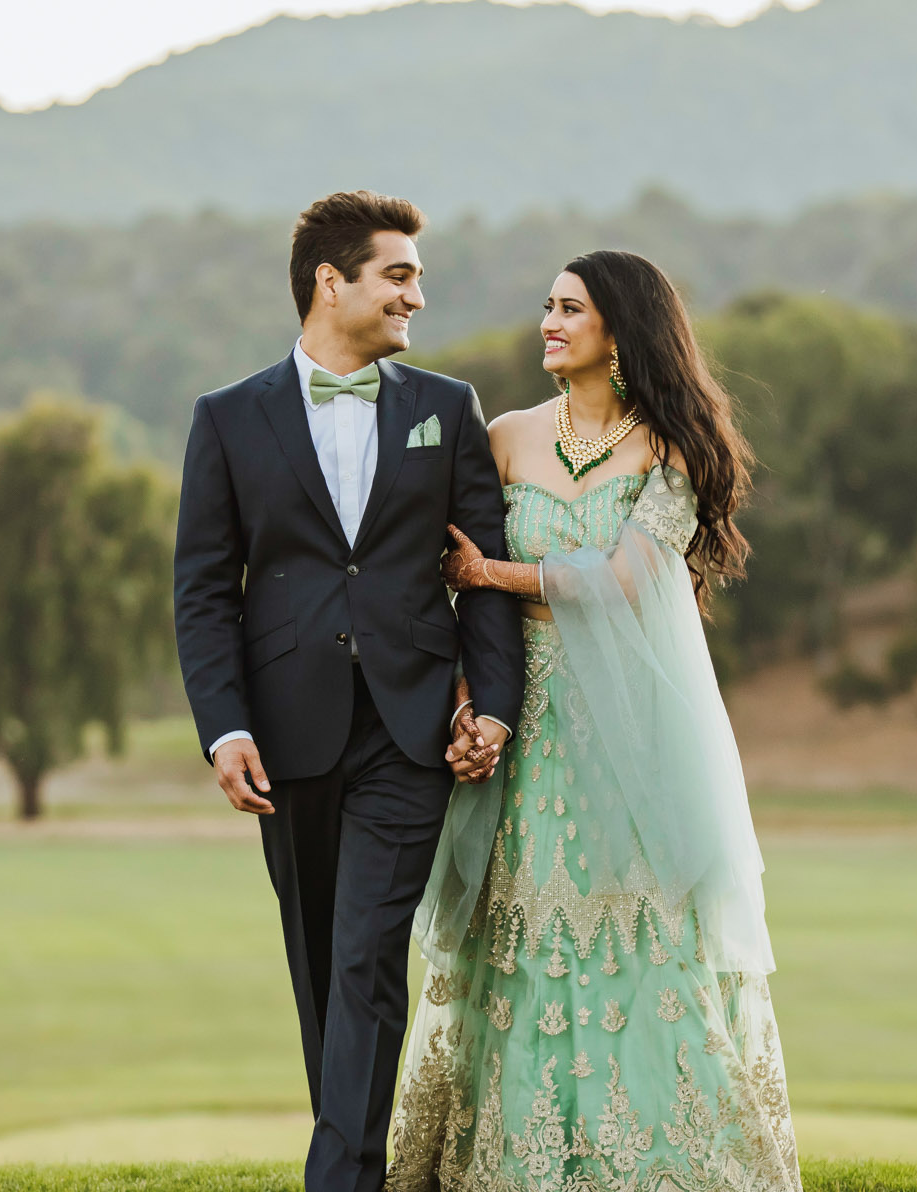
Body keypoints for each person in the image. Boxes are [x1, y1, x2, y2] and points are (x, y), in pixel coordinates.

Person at [388, 250, 798, 1192]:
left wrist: (496, 574)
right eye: (547, 306)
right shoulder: (505, 437)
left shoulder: (673, 448)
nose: (549, 322)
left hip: (633, 725)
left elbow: (628, 580)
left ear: (622, 328)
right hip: (522, 715)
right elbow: (446, 594)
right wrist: (466, 702)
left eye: (571, 309)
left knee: (643, 924)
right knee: (519, 925)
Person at [174, 189, 526, 1192]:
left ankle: (337, 1181)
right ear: (332, 283)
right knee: (323, 968)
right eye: (399, 274)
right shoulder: (227, 420)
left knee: (369, 954)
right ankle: (354, 1159)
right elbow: (202, 592)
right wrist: (223, 729)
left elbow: (482, 572)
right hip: (285, 735)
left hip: (409, 730)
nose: (418, 293)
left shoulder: (446, 409)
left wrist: (492, 703)